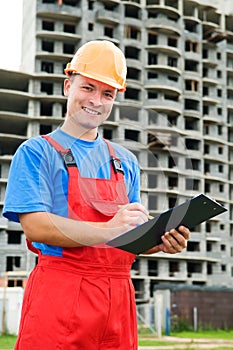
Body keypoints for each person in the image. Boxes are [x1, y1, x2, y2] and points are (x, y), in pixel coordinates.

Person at [3, 40, 190, 350]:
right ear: (67, 86)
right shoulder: (37, 153)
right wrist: (109, 228)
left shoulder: (125, 161)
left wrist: (160, 242)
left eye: (107, 94)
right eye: (87, 88)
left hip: (118, 300)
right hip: (60, 295)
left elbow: (127, 239)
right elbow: (36, 226)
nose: (96, 101)